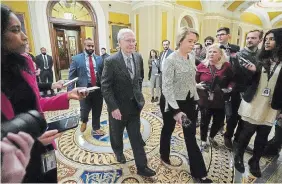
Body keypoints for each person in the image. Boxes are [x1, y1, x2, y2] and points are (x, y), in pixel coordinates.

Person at [1, 5, 87, 183]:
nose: (24, 37)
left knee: (49, 176)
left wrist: (67, 96)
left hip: (43, 143)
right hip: (15, 160)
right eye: (15, 30)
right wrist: (30, 140)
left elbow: (36, 102)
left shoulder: (24, 63)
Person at [160, 27, 212, 183]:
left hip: (188, 102)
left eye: (194, 42)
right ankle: (164, 154)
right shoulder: (170, 60)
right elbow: (166, 87)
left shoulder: (190, 57)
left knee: (190, 136)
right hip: (171, 103)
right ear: (180, 40)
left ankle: (199, 173)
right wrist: (176, 110)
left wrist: (197, 91)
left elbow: (190, 79)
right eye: (190, 41)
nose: (193, 45)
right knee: (168, 129)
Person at [101, 28, 156, 177]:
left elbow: (139, 78)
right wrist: (113, 107)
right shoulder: (111, 61)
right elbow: (105, 86)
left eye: (133, 40)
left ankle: (142, 167)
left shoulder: (138, 57)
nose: (132, 44)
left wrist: (139, 98)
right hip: (118, 109)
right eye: (128, 40)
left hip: (134, 107)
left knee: (136, 137)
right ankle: (118, 152)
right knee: (116, 134)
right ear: (119, 42)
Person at [234, 28, 282, 178]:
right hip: (254, 102)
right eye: (266, 39)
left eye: (271, 39)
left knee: (262, 136)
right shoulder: (259, 59)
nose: (267, 41)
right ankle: (238, 157)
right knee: (246, 133)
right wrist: (253, 72)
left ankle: (254, 161)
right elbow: (247, 82)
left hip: (271, 105)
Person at [224, 30, 263, 150]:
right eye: (248, 38)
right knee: (233, 116)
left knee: (244, 118)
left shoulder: (262, 55)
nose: (249, 40)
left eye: (253, 38)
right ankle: (227, 137)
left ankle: (238, 139)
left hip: (252, 91)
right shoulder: (239, 54)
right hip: (237, 90)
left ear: (260, 40)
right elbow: (233, 73)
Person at [196, 44, 234, 149]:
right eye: (210, 52)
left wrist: (230, 88)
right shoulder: (202, 65)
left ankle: (211, 137)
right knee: (204, 121)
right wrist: (197, 85)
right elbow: (195, 80)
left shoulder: (226, 66)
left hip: (220, 99)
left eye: (214, 52)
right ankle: (203, 140)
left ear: (220, 54)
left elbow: (232, 80)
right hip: (204, 99)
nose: (211, 54)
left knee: (218, 122)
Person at [68, 38, 105, 135]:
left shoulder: (99, 58)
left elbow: (103, 74)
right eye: (89, 46)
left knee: (97, 108)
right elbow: (71, 76)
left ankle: (96, 127)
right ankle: (84, 121)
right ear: (84, 46)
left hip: (97, 88)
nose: (91, 48)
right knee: (84, 109)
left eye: (92, 46)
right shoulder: (76, 59)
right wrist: (70, 92)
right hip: (84, 89)